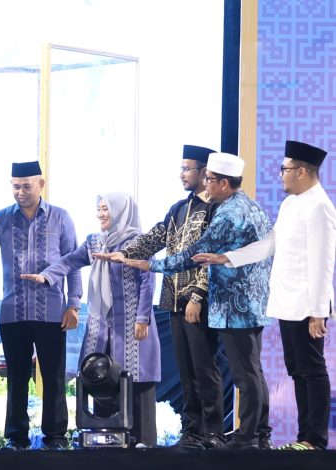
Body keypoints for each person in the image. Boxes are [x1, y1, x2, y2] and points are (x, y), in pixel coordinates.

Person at [124, 152, 273, 450]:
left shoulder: (225, 213)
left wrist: (152, 266)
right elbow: (161, 237)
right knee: (248, 372)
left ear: (222, 182)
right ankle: (248, 434)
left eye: (208, 178)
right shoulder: (241, 206)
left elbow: (197, 254)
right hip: (242, 303)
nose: (205, 183)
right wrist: (127, 254)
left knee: (239, 374)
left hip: (231, 304)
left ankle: (240, 437)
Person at [194, 140, 335, 450]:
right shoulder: (291, 204)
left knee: (312, 370)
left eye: (285, 169)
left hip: (307, 305)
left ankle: (314, 439)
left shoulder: (319, 207)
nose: (281, 175)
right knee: (297, 370)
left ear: (302, 171)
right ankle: (303, 438)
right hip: (288, 302)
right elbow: (270, 244)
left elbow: (323, 263)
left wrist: (318, 312)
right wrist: (227, 257)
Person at [93, 145, 225, 449]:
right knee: (186, 371)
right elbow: (156, 237)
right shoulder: (179, 208)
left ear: (204, 172)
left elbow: (213, 256)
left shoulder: (216, 209)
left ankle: (214, 433)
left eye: (187, 169)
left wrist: (198, 295)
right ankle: (192, 431)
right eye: (181, 168)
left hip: (200, 302)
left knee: (205, 369)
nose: (182, 174)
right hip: (173, 299)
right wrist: (126, 253)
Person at [21, 191, 159, 447]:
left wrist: (142, 318)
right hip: (101, 326)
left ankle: (142, 446)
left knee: (136, 381)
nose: (100, 214)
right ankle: (106, 443)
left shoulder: (139, 242)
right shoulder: (95, 242)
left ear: (121, 211)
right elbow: (70, 261)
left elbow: (147, 281)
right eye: (99, 209)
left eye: (106, 209)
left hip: (132, 324)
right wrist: (47, 275)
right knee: (101, 378)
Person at [0, 161, 81, 450]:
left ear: (40, 184)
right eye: (16, 186)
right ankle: (16, 437)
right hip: (13, 312)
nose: (20, 192)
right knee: (16, 377)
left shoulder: (60, 218)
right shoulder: (2, 218)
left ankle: (55, 437)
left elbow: (73, 262)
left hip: (52, 312)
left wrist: (74, 305)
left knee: (54, 377)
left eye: (26, 186)